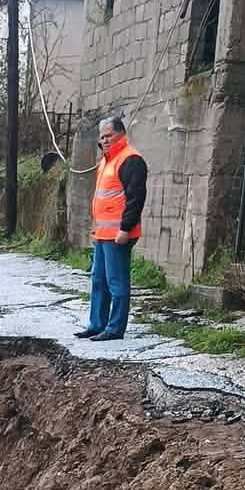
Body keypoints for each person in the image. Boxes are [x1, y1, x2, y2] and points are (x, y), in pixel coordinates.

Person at [76, 116, 148, 342]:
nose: (105, 140)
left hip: (118, 235)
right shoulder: (107, 161)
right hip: (103, 234)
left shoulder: (130, 160)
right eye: (102, 137)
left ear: (121, 134)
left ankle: (115, 328)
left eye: (109, 136)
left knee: (116, 282)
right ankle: (97, 324)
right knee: (98, 280)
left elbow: (135, 198)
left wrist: (125, 229)